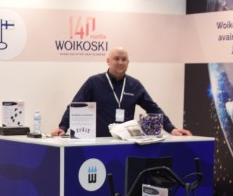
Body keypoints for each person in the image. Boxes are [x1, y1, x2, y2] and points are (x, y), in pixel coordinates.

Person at [52, 47, 192, 138]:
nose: (120, 62)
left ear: (128, 62)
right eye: (116, 59)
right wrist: (63, 127)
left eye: (124, 59)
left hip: (126, 142)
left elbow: (153, 109)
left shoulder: (134, 85)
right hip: (99, 142)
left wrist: (172, 129)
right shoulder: (93, 82)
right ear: (108, 61)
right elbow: (75, 106)